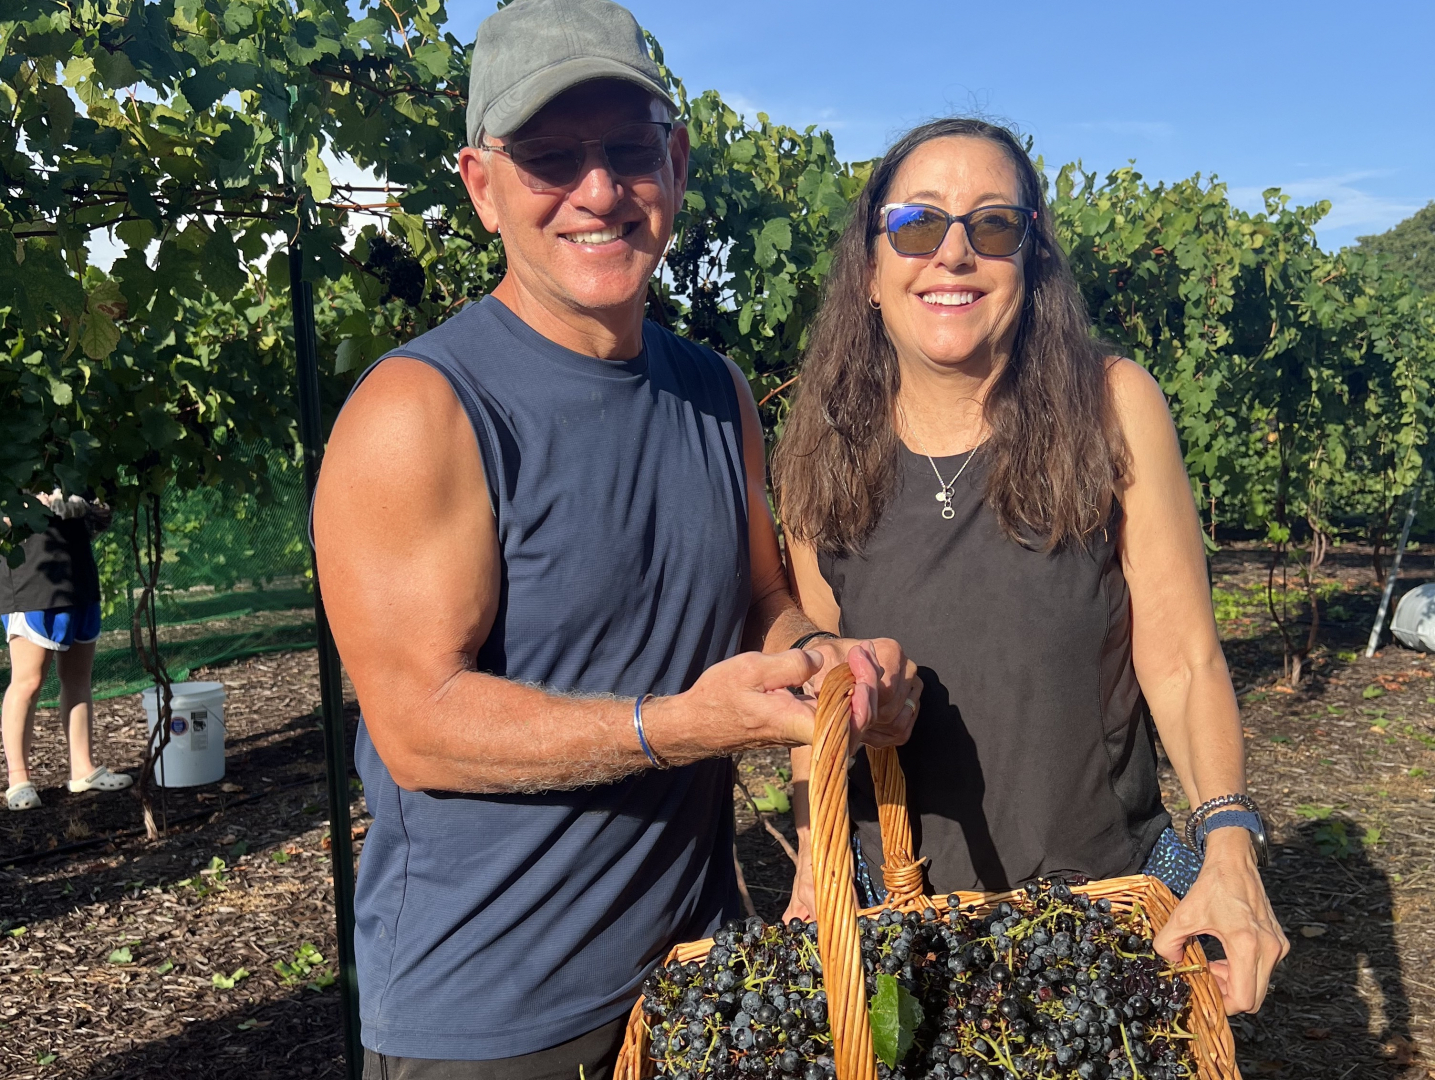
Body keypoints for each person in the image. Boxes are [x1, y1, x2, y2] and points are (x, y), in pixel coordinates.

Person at [311, 2, 918, 1077]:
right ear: (481, 185)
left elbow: (754, 599)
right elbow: (418, 725)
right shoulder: (421, 411)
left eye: (628, 150)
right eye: (548, 159)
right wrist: (678, 726)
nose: (597, 191)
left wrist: (815, 656)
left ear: (674, 164)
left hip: (695, 975)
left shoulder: (713, 390)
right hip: (495, 1015)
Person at [771, 118, 1289, 1016]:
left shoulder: (1109, 404)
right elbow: (817, 691)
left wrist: (1230, 846)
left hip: (1101, 905)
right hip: (897, 921)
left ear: (1031, 263)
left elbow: (1183, 659)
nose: (955, 254)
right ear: (868, 270)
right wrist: (818, 862)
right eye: (918, 225)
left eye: (994, 226)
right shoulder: (820, 448)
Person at [4, 488, 131, 811]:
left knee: (78, 676)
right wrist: (28, 503)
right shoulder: (13, 445)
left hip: (78, 569)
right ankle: (18, 780)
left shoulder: (75, 446)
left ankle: (83, 769)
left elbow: (102, 511)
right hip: (30, 572)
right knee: (28, 680)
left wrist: (94, 506)